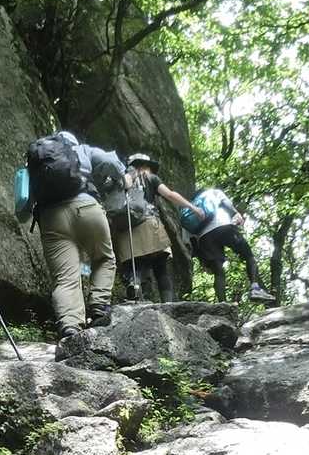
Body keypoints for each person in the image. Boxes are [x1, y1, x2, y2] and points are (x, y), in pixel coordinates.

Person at [29, 130, 117, 344]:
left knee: (64, 277)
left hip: (51, 218)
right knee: (104, 258)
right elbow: (110, 161)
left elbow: (23, 203)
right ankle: (98, 306)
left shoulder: (37, 162)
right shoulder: (83, 149)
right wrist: (121, 178)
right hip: (86, 207)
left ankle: (70, 327)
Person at [114, 153, 199, 302]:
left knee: (136, 265)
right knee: (160, 267)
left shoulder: (122, 180)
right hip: (149, 224)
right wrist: (192, 207)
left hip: (127, 230)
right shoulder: (151, 178)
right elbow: (170, 195)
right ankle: (168, 304)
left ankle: (134, 289)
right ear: (144, 166)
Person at [185, 186, 275, 303]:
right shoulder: (213, 193)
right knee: (249, 256)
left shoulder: (191, 206)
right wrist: (235, 213)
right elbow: (225, 203)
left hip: (204, 237)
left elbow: (191, 236)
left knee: (218, 271)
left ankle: (222, 303)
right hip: (223, 226)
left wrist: (202, 257)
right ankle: (255, 288)